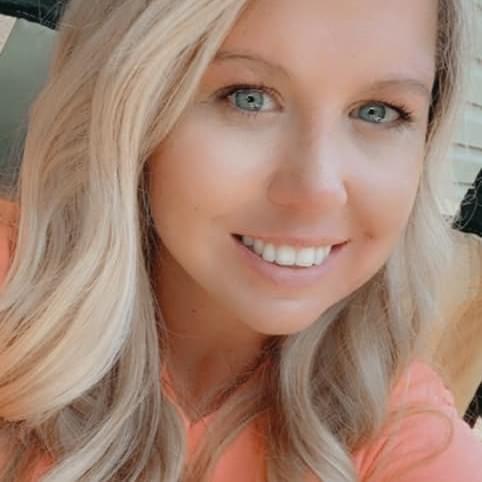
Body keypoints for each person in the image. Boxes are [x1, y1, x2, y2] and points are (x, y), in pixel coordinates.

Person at [0, 0, 480, 481]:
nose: (316, 191)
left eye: (377, 113)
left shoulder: (416, 447)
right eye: (248, 98)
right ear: (126, 102)